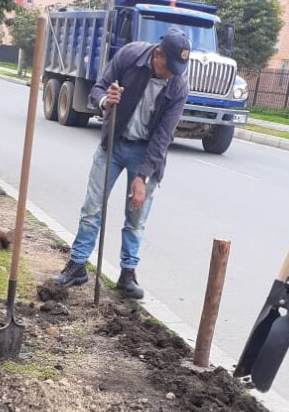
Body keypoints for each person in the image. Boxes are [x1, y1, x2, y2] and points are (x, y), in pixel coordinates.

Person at [52, 28, 191, 299]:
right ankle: (78, 266)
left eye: (178, 69)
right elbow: (98, 88)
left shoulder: (178, 86)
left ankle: (128, 275)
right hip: (114, 144)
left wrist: (143, 177)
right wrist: (106, 101)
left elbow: (163, 136)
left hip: (146, 155)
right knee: (92, 207)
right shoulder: (131, 56)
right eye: (169, 66)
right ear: (158, 53)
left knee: (136, 217)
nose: (171, 73)